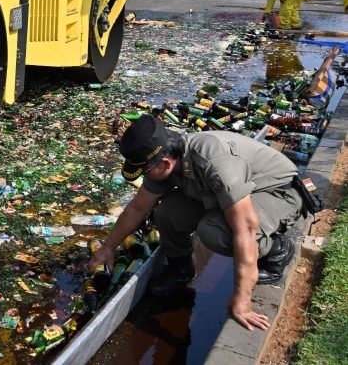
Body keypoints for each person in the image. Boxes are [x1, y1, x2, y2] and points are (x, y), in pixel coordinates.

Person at [88, 115, 304, 331]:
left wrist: (242, 299)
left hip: (274, 191)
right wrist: (108, 247)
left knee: (214, 231)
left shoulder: (215, 163)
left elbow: (246, 229)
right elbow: (138, 208)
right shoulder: (169, 157)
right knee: (166, 212)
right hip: (224, 195)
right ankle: (181, 268)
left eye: (145, 171)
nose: (145, 177)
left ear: (165, 163)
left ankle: (277, 250)